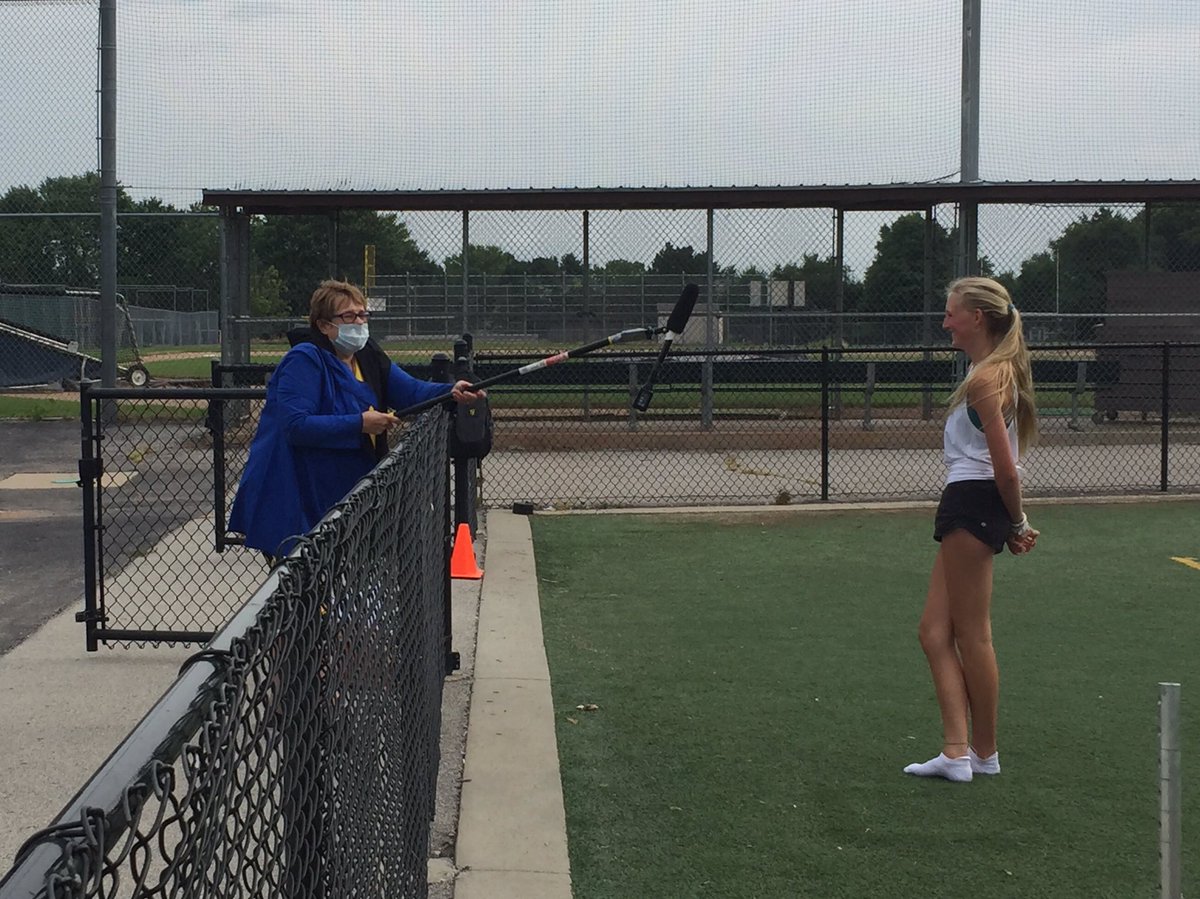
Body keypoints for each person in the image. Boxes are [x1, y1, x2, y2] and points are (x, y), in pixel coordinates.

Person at [229, 279, 484, 559]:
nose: (359, 322)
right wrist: (360, 423)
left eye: (363, 314)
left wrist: (451, 390)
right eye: (348, 316)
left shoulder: (366, 356)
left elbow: (410, 391)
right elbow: (296, 426)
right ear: (324, 325)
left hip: (345, 495)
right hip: (298, 494)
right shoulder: (304, 360)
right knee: (307, 591)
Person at [903, 276, 1039, 783]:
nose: (945, 322)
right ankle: (958, 751)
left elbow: (1005, 469)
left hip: (971, 503)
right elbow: (999, 466)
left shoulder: (989, 379)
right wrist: (1009, 521)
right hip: (973, 505)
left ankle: (982, 752)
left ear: (976, 318)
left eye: (951, 312)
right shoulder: (994, 374)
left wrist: (1017, 521)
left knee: (973, 635)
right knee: (934, 631)